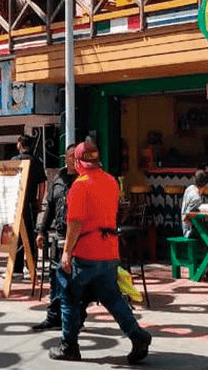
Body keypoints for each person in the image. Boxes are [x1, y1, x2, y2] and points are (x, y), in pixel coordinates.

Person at [52, 141, 152, 363]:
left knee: (69, 296)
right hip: (109, 251)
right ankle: (137, 335)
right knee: (112, 297)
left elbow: (75, 223)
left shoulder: (80, 185)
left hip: (85, 253)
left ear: (78, 162)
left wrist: (67, 252)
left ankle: (69, 346)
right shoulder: (111, 181)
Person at [32, 148, 85, 331]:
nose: (72, 160)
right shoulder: (58, 180)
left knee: (76, 282)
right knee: (55, 278)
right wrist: (41, 231)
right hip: (60, 235)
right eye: (70, 157)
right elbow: (50, 208)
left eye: (75, 157)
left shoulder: (83, 180)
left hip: (79, 237)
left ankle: (76, 318)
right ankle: (53, 316)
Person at [12, 134, 47, 275]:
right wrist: (39, 200)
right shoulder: (36, 161)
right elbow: (42, 184)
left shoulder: (14, 161)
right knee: (31, 234)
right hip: (31, 203)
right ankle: (32, 265)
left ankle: (16, 267)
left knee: (17, 235)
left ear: (20, 144)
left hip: (16, 204)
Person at [179, 169, 208, 238]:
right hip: (190, 231)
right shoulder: (196, 198)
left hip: (184, 227)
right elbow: (187, 216)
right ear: (206, 184)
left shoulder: (190, 188)